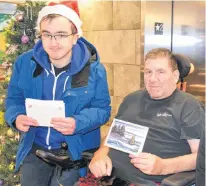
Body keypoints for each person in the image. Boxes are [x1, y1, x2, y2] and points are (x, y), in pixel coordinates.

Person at [5, 1, 111, 186]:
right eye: (47, 35)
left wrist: (77, 123)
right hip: (34, 150)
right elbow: (13, 100)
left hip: (74, 154)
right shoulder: (24, 63)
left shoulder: (94, 70)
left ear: (75, 36)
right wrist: (16, 117)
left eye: (61, 35)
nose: (53, 43)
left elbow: (102, 110)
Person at [89, 48, 204, 185]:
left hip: (149, 182)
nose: (152, 79)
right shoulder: (132, 99)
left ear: (175, 76)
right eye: (148, 72)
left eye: (160, 72)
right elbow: (113, 136)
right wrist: (100, 153)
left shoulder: (189, 106)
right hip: (109, 177)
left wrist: (163, 166)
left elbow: (200, 156)